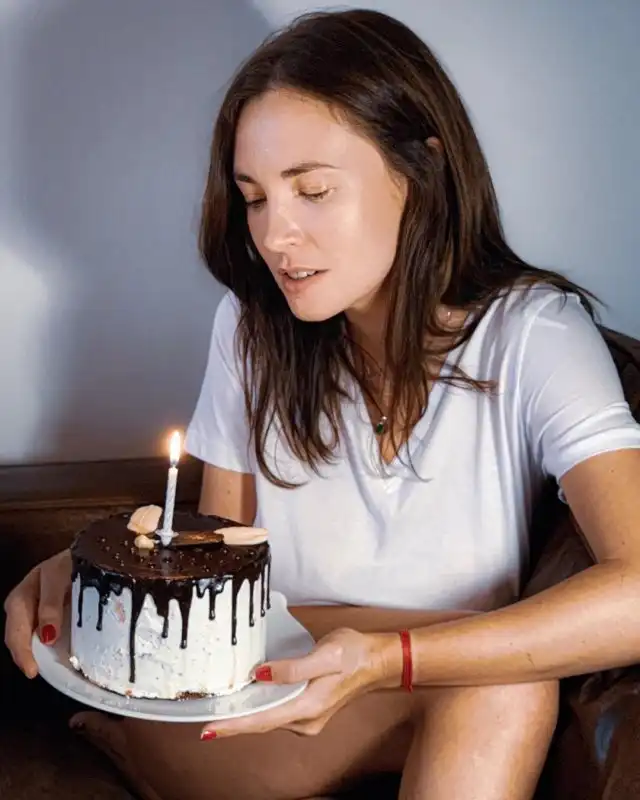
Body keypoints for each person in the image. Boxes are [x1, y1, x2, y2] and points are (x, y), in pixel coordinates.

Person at [5, 8, 640, 800]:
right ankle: (139, 752)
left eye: (312, 190)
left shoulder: (534, 333)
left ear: (421, 169)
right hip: (259, 692)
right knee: (500, 686)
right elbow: (216, 554)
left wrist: (387, 659)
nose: (276, 235)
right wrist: (105, 576)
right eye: (255, 198)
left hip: (447, 698)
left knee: (501, 684)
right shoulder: (250, 326)